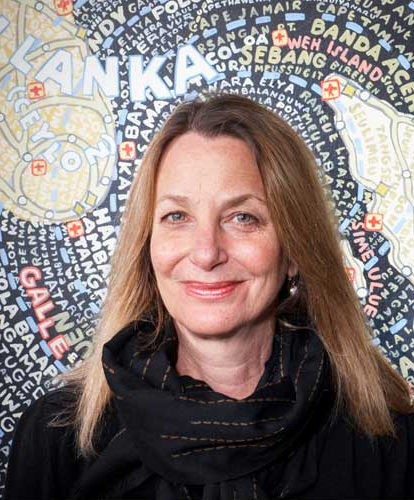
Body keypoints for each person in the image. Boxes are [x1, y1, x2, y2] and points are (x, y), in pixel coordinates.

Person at [4, 92, 414, 500]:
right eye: (176, 216)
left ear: (294, 250)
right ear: (147, 244)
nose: (206, 253)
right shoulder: (57, 436)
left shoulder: (390, 439)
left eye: (243, 218)